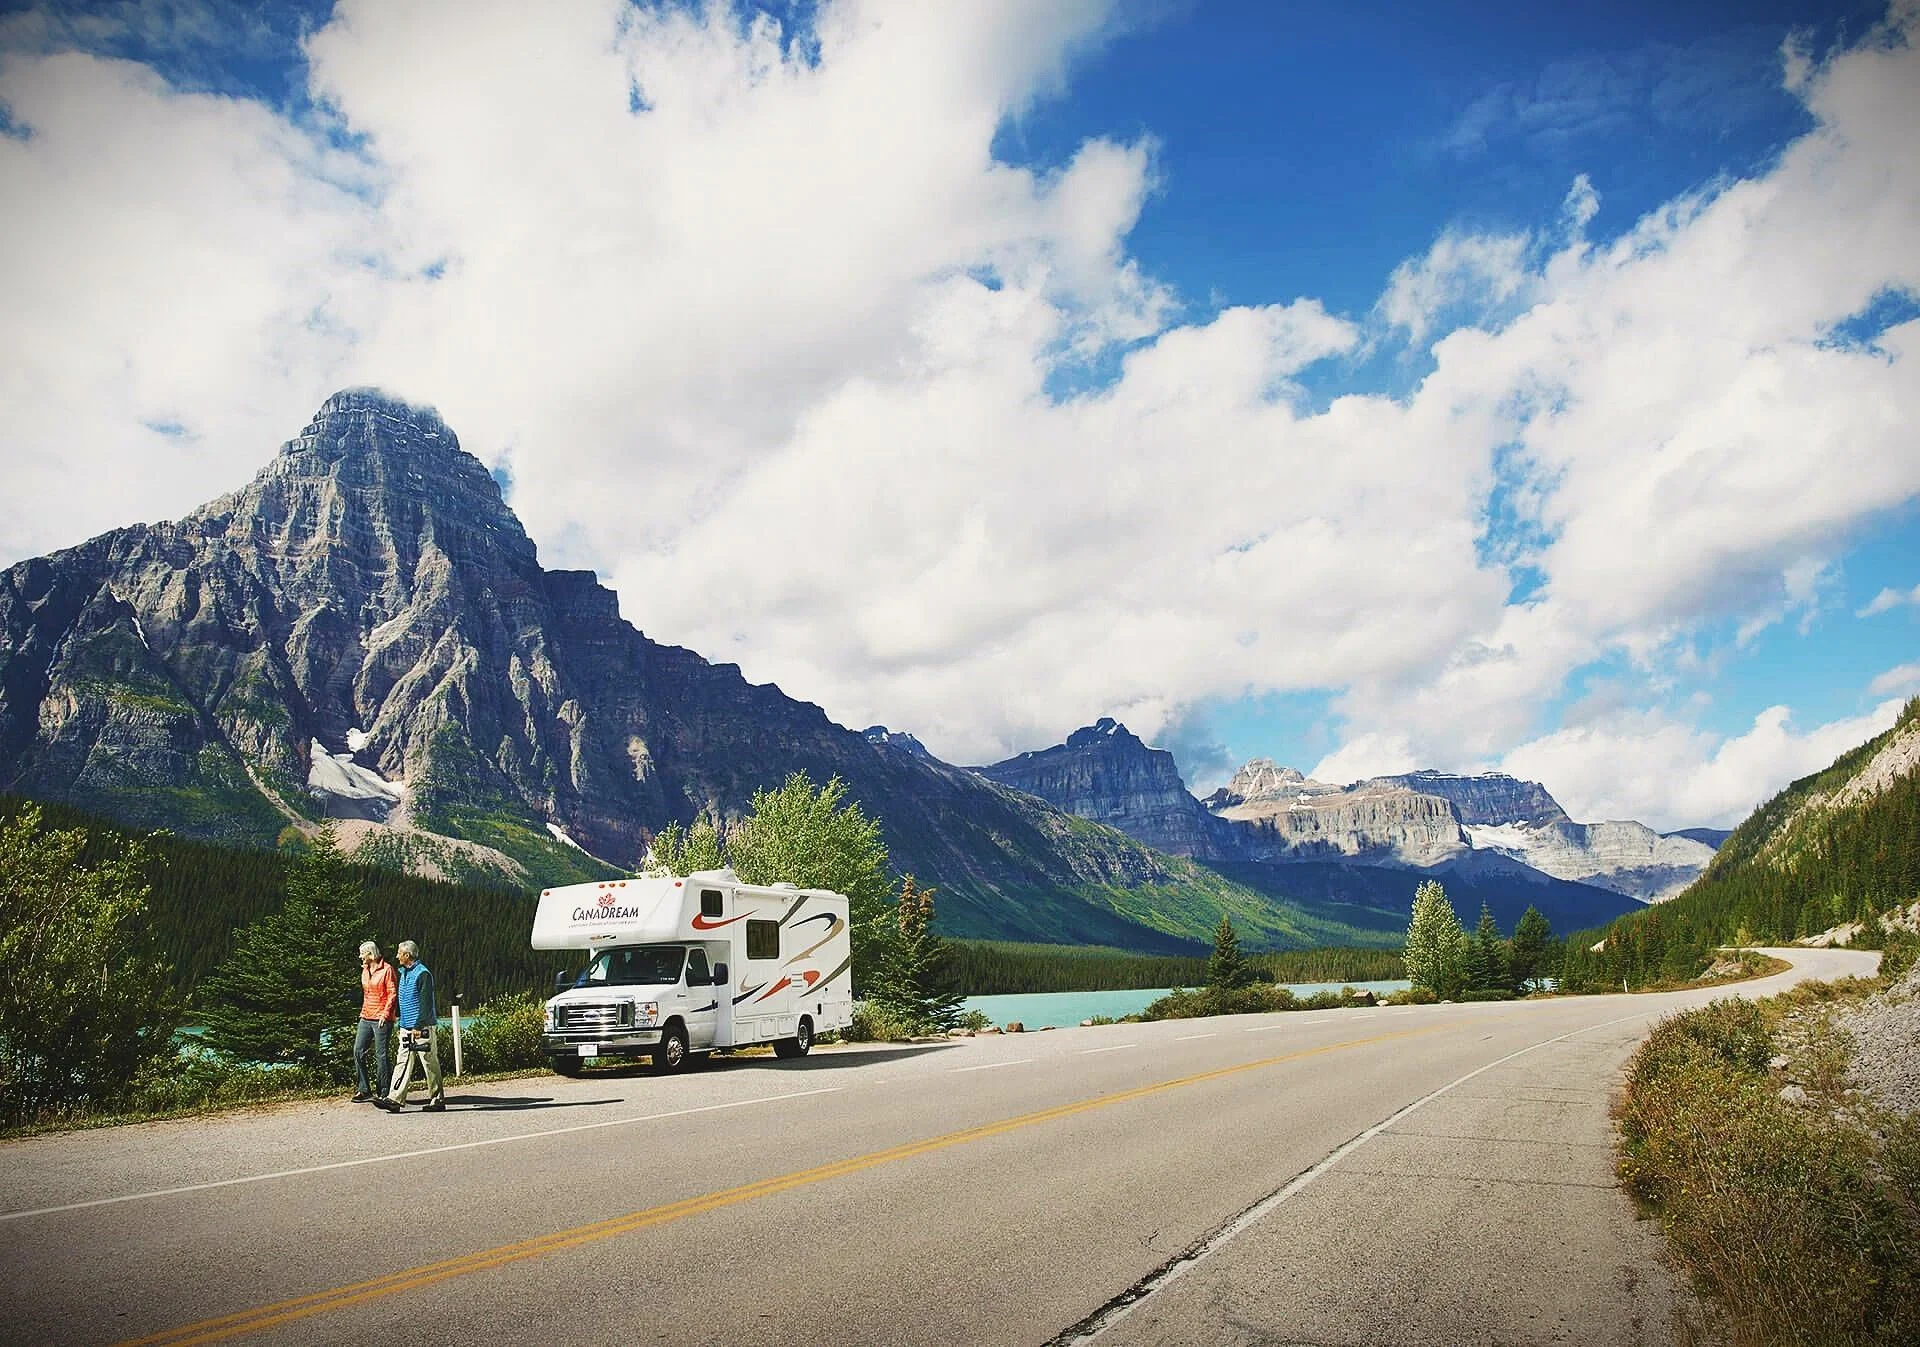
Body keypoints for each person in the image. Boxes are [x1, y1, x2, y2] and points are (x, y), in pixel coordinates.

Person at [375, 940, 444, 1113]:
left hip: (422, 1026)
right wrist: (399, 1019)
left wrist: (418, 1026)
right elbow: (403, 999)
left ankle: (437, 1099)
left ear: (407, 955)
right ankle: (395, 1099)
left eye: (399, 953)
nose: (397, 955)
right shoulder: (404, 973)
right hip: (406, 1025)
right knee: (402, 1060)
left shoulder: (423, 974)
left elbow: (426, 1004)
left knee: (429, 1061)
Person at [352, 941, 397, 1103]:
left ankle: (384, 1091)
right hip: (366, 1016)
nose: (360, 957)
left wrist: (385, 1015)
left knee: (381, 1055)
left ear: (370, 954)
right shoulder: (364, 970)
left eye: (362, 954)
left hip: (381, 1018)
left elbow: (392, 993)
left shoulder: (387, 970)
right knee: (358, 1051)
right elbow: (367, 994)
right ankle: (364, 1089)